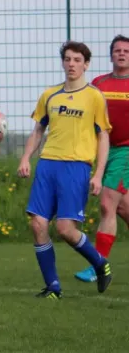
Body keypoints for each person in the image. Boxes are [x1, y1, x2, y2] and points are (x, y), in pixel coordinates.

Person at [17, 41, 113, 299]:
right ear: (63, 62)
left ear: (86, 65)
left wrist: (98, 174)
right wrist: (26, 157)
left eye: (77, 60)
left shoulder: (94, 96)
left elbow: (103, 136)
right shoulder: (50, 95)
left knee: (65, 229)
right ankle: (53, 287)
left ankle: (99, 263)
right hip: (48, 164)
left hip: (76, 167)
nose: (71, 64)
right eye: (68, 59)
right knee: (37, 224)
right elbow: (38, 130)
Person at [75, 35, 129, 282]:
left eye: (126, 51)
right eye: (117, 50)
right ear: (111, 56)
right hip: (104, 150)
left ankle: (98, 266)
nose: (122, 54)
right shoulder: (99, 84)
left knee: (107, 203)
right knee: (122, 207)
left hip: (126, 151)